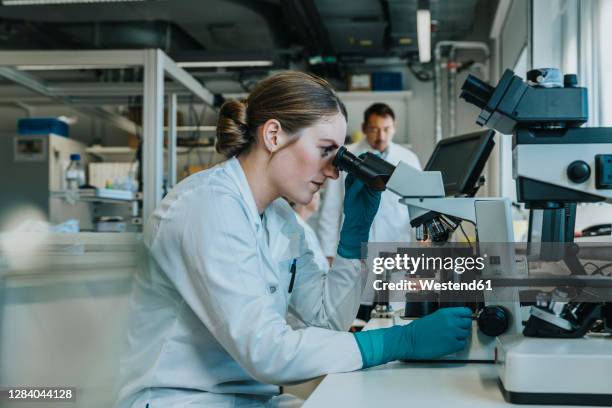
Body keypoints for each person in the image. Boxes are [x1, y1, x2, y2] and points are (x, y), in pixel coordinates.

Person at [115, 72, 471, 408]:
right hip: (182, 400)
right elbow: (266, 351)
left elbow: (325, 320)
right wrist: (398, 341)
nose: (334, 172)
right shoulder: (207, 205)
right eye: (325, 151)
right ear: (273, 136)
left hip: (249, 398)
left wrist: (353, 238)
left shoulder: (278, 216)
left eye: (338, 156)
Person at [317, 103, 422, 315]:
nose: (381, 135)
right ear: (365, 128)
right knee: (355, 313)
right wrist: (327, 254)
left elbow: (418, 209)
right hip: (358, 251)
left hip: (396, 252)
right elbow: (330, 209)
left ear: (394, 128)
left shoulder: (408, 159)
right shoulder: (349, 157)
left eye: (386, 129)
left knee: (393, 315)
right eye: (375, 129)